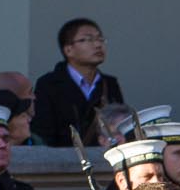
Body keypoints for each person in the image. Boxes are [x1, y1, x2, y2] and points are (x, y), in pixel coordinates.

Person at [31, 18, 125, 146]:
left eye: (100, 39)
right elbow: (43, 132)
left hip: (104, 159)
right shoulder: (49, 85)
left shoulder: (109, 84)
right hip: (62, 161)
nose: (98, 45)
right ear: (68, 50)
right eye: (87, 39)